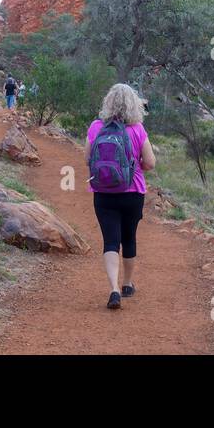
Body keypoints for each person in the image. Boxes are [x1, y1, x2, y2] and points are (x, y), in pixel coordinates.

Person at [85, 83, 156, 310]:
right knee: (129, 238)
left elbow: (87, 159)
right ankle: (127, 284)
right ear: (133, 104)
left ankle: (113, 289)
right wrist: (134, 167)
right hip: (133, 192)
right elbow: (151, 163)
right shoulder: (137, 129)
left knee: (111, 241)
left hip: (104, 194)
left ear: (108, 102)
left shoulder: (96, 127)